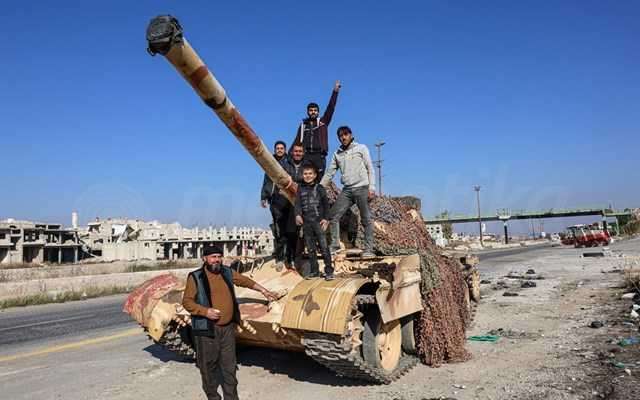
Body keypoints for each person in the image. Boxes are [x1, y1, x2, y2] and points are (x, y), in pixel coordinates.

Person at [182, 245, 279, 400]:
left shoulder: (227, 272)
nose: (217, 260)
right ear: (204, 258)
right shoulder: (195, 277)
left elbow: (245, 281)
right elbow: (187, 302)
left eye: (219, 256)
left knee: (229, 366)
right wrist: (205, 312)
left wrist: (264, 291)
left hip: (227, 328)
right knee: (208, 367)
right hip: (207, 329)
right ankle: (213, 397)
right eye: (213, 257)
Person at [320, 126, 376, 257]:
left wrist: (372, 187)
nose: (343, 137)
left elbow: (370, 167)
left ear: (350, 134)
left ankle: (369, 249)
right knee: (333, 216)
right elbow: (330, 173)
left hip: (362, 187)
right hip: (347, 190)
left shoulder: (361, 148)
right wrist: (319, 187)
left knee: (366, 219)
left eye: (345, 134)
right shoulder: (337, 153)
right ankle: (335, 245)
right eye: (340, 136)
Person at [292, 80, 341, 181]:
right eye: (311, 110)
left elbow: (331, 107)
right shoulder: (303, 126)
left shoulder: (323, 122)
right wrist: (288, 156)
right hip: (306, 156)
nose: (313, 112)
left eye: (315, 110)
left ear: (318, 112)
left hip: (319, 156)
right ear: (308, 112)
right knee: (305, 180)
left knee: (319, 181)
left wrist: (335, 92)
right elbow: (296, 142)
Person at [294, 162, 334, 280]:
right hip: (306, 223)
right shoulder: (300, 189)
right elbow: (297, 204)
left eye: (310, 173)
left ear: (315, 175)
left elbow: (326, 205)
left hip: (318, 222)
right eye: (305, 174)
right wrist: (297, 215)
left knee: (324, 247)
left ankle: (329, 271)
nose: (308, 176)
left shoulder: (320, 188)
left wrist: (326, 219)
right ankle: (314, 271)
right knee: (311, 249)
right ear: (302, 175)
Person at [260, 140, 288, 267]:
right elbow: (266, 181)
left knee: (289, 229)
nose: (279, 150)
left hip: (287, 198)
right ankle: (280, 257)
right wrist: (263, 197)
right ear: (275, 150)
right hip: (274, 200)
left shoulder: (289, 162)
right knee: (278, 230)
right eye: (278, 148)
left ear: (285, 150)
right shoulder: (270, 162)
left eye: (282, 148)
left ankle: (288, 257)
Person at [279, 143, 306, 267]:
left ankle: (298, 257)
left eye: (300, 151)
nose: (297, 153)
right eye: (296, 151)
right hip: (288, 201)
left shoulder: (306, 166)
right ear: (292, 152)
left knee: (303, 233)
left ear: (303, 153)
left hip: (303, 201)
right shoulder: (286, 165)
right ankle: (288, 258)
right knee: (289, 231)